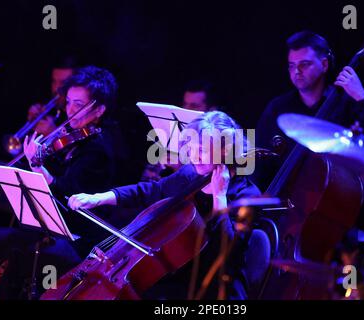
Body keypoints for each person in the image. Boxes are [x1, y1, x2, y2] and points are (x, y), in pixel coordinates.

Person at [67, 111, 261, 300]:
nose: (194, 156)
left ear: (225, 150)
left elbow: (227, 251)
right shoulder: (191, 175)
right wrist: (99, 198)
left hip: (214, 287)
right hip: (176, 276)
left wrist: (220, 196)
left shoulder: (248, 196)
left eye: (201, 150)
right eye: (191, 148)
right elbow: (151, 191)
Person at [0, 66, 120, 299]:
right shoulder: (72, 140)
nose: (70, 110)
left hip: (78, 240)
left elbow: (66, 196)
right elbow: (32, 176)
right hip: (50, 231)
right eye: (69, 102)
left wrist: (37, 166)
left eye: (79, 105)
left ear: (100, 110)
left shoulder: (99, 150)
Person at [253, 30, 364, 191]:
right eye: (292, 66)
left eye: (304, 64)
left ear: (324, 64)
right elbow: (258, 159)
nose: (297, 71)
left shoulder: (347, 103)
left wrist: (361, 96)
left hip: (338, 199)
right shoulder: (278, 108)